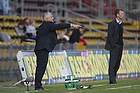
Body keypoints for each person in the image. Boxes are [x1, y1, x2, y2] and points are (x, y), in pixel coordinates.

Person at [34, 12, 81, 91]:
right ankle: (38, 86)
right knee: (41, 67)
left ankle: (38, 85)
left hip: (40, 48)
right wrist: (72, 25)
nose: (53, 18)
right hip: (43, 48)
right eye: (51, 17)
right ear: (47, 19)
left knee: (40, 67)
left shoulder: (41, 27)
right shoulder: (47, 25)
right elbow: (59, 26)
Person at [105, 9, 124, 84]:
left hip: (120, 46)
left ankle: (113, 78)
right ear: (117, 15)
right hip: (114, 47)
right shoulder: (112, 24)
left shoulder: (121, 24)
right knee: (113, 63)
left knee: (117, 63)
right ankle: (112, 80)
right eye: (121, 13)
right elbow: (109, 36)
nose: (123, 15)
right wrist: (114, 45)